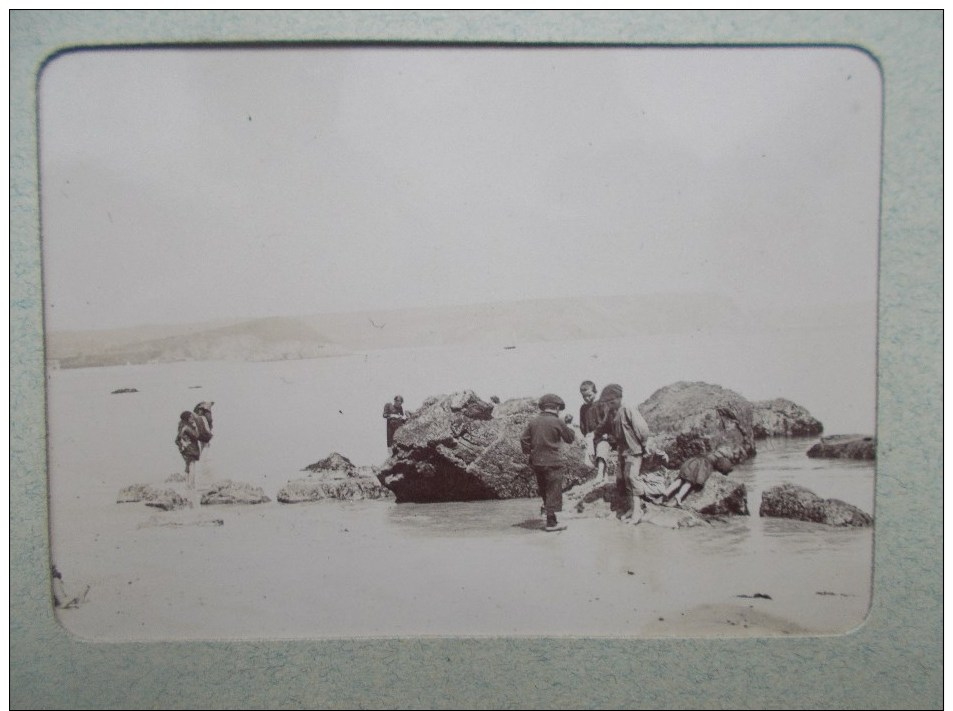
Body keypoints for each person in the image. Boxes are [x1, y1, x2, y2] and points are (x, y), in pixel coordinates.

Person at [593, 383, 666, 523]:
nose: (610, 403)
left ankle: (638, 511)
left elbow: (642, 428)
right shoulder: (611, 412)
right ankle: (632, 508)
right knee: (624, 478)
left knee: (632, 477)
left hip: (634, 449)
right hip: (622, 450)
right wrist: (597, 435)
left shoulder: (628, 408)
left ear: (620, 397)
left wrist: (644, 444)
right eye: (607, 402)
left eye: (612, 401)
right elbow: (604, 426)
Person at [520, 393, 576, 531]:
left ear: (542, 407)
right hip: (553, 461)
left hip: (537, 461)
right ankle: (551, 522)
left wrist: (530, 452)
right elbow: (569, 438)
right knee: (553, 489)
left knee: (544, 488)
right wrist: (569, 427)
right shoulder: (558, 421)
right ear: (557, 407)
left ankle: (550, 517)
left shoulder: (533, 421)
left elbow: (523, 439)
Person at [663, 449, 734, 506]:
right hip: (702, 467)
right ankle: (678, 497)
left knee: (680, 479)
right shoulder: (721, 459)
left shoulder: (711, 453)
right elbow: (722, 467)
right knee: (689, 482)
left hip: (694, 462)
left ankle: (665, 494)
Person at [578, 380, 609, 479]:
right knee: (590, 457)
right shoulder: (583, 408)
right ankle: (603, 475)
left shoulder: (602, 404)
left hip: (602, 435)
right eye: (584, 396)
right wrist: (585, 434)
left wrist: (600, 432)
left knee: (602, 449)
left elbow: (606, 420)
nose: (587, 398)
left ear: (595, 392)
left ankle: (600, 475)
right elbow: (582, 424)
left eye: (589, 395)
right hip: (590, 436)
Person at [174, 410, 201, 488]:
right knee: (192, 466)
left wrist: (183, 445)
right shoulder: (188, 427)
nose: (192, 418)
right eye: (191, 417)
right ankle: (192, 485)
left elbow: (177, 439)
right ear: (187, 418)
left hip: (184, 449)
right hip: (191, 449)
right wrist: (195, 426)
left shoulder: (181, 426)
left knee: (187, 466)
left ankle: (187, 485)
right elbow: (196, 436)